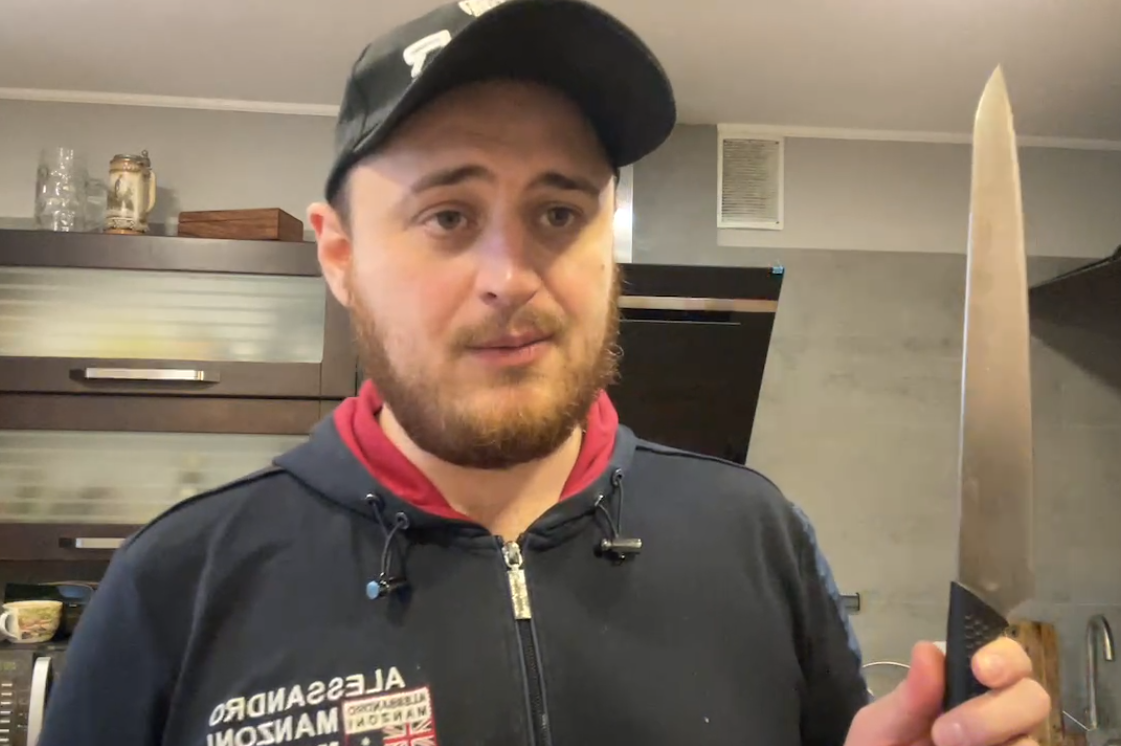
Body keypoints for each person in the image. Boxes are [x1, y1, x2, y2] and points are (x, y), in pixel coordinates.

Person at [39, 1, 1050, 745]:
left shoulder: (756, 535)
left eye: (559, 212)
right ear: (338, 255)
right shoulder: (177, 584)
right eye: (447, 216)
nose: (511, 276)